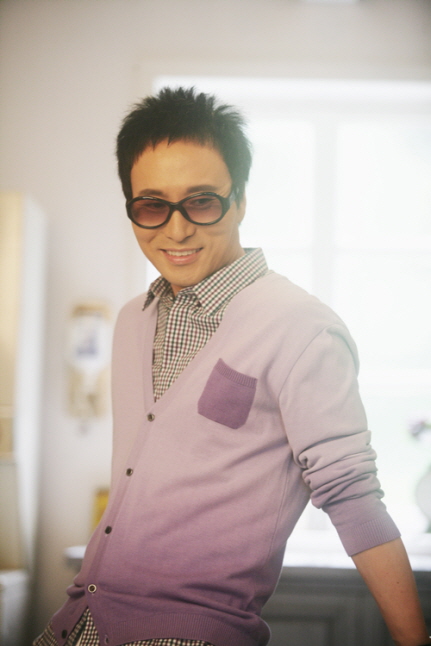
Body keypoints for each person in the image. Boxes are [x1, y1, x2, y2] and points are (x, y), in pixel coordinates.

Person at [34, 87, 430, 646]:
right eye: (151, 206)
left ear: (240, 200)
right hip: (79, 622)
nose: (176, 230)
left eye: (201, 202)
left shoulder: (301, 328)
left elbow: (353, 497)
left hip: (190, 634)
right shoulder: (131, 321)